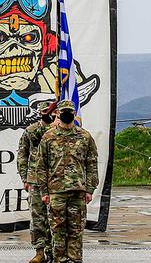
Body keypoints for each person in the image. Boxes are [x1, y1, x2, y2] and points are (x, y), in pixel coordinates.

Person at [37, 100, 98, 263]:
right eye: (63, 111)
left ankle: (75, 260)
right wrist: (44, 192)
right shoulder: (48, 137)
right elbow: (41, 166)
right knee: (57, 231)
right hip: (56, 192)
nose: (66, 114)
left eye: (69, 111)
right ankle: (60, 260)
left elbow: (91, 164)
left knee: (76, 231)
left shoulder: (85, 136)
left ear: (74, 114)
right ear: (57, 113)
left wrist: (90, 189)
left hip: (78, 192)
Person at [18, 101, 56, 263]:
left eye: (50, 112)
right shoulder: (32, 131)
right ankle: (40, 251)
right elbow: (22, 154)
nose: (48, 115)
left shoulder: (59, 131)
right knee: (38, 217)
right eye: (45, 112)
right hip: (35, 181)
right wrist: (24, 178)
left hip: (56, 180)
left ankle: (54, 251)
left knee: (55, 218)